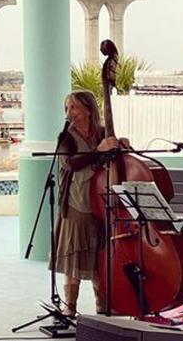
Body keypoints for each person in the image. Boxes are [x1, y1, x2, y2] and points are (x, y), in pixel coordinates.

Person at [50, 90, 122, 317]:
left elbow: (111, 157)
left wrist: (120, 145)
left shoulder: (102, 133)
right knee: (74, 255)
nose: (69, 112)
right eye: (67, 107)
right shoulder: (66, 137)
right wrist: (97, 151)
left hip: (101, 202)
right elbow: (70, 164)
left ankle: (103, 306)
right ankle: (69, 307)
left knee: (100, 256)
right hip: (76, 201)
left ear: (88, 110)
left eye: (74, 107)